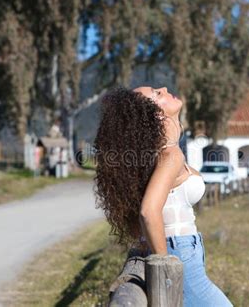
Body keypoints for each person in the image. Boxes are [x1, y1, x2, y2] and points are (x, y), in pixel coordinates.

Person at [93, 86, 233, 306]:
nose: (165, 89)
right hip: (177, 251)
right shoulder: (169, 154)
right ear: (156, 114)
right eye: (157, 94)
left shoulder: (159, 152)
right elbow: (148, 212)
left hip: (179, 249)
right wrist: (165, 263)